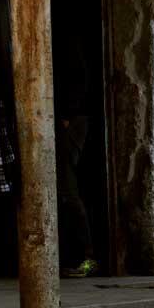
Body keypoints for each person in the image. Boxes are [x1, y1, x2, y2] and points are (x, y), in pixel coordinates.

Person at [55, 19, 97, 279]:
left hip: (72, 120)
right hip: (71, 118)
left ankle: (86, 257)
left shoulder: (68, 38)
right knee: (66, 191)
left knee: (68, 191)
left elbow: (76, 77)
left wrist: (67, 115)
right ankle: (80, 256)